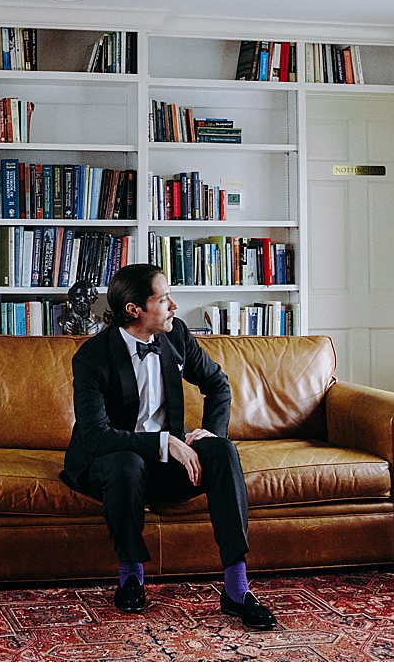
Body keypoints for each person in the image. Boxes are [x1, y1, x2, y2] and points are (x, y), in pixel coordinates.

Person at [60, 263, 278, 630]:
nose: (174, 306)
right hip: (109, 465)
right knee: (126, 463)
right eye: (164, 299)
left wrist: (211, 431)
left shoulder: (176, 335)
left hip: (169, 464)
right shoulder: (92, 357)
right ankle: (131, 574)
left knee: (223, 451)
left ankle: (237, 588)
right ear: (135, 310)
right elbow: (97, 436)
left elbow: (218, 384)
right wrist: (165, 443)